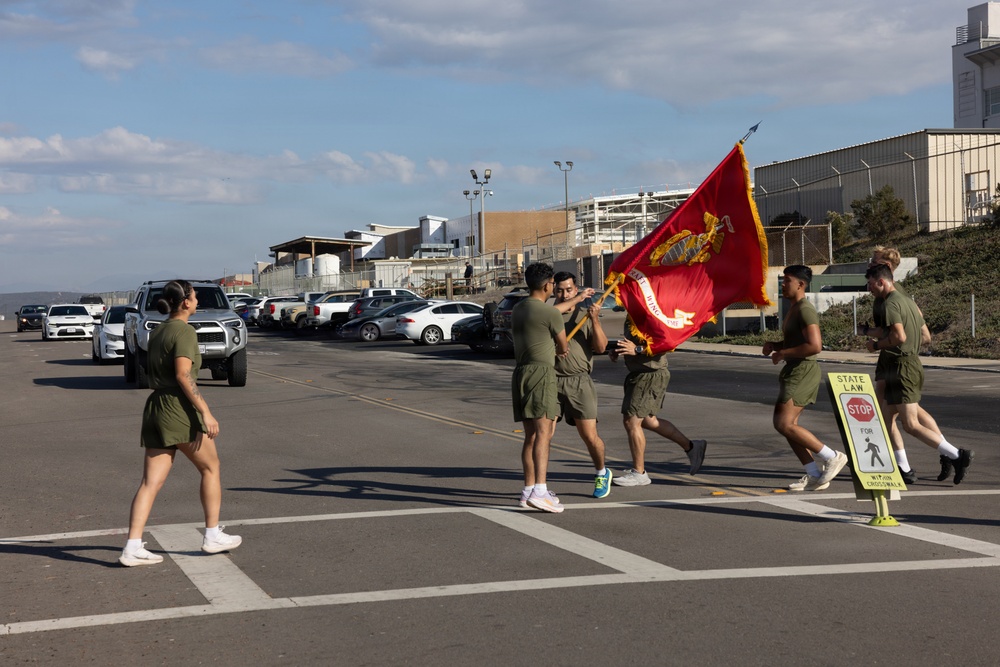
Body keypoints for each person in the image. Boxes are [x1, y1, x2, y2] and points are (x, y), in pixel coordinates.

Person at [119, 280, 242, 566]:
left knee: (150, 483)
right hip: (178, 409)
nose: (198, 301)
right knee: (211, 468)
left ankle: (132, 547)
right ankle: (212, 535)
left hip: (156, 407)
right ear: (185, 302)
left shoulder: (159, 330)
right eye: (195, 297)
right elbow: (184, 376)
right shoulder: (184, 331)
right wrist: (205, 412)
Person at [864, 264, 973, 484]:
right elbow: (924, 335)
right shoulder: (908, 302)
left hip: (903, 368)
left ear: (881, 281)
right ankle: (903, 468)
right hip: (901, 366)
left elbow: (899, 337)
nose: (869, 289)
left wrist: (876, 346)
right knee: (885, 417)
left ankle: (957, 455)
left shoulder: (891, 304)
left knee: (911, 424)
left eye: (870, 284)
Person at [762, 265, 849, 491]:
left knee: (783, 423)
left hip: (803, 371)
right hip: (794, 369)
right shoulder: (793, 308)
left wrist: (783, 353)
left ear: (800, 284)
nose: (783, 284)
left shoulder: (805, 310)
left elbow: (815, 345)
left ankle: (832, 456)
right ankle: (812, 473)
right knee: (787, 425)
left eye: (787, 280)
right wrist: (777, 346)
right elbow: (795, 342)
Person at [862, 246, 933, 484]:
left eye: (874, 262)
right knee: (894, 411)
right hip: (891, 355)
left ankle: (948, 453)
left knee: (901, 416)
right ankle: (902, 462)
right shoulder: (889, 293)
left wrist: (887, 344)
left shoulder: (894, 295)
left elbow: (920, 330)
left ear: (886, 270)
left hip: (894, 357)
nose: (870, 266)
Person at [608, 315, 707, 486]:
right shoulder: (632, 313)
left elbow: (666, 343)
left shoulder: (653, 313)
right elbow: (634, 342)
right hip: (638, 374)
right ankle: (692, 446)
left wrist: (637, 350)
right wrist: (619, 350)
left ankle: (639, 473)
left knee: (632, 421)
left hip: (650, 375)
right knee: (648, 420)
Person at [512, 263, 571, 513]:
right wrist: (559, 349)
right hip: (542, 373)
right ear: (548, 285)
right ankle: (540, 490)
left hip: (521, 373)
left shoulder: (517, 308)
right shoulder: (550, 313)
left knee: (531, 435)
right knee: (544, 433)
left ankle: (528, 490)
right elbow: (563, 345)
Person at [551, 271, 612, 498]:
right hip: (552, 380)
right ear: (553, 290)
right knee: (544, 435)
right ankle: (540, 485)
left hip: (579, 382)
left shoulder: (584, 315)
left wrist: (594, 320)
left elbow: (601, 347)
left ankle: (601, 472)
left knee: (589, 435)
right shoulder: (549, 313)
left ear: (575, 290)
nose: (564, 293)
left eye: (568, 289)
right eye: (559, 289)